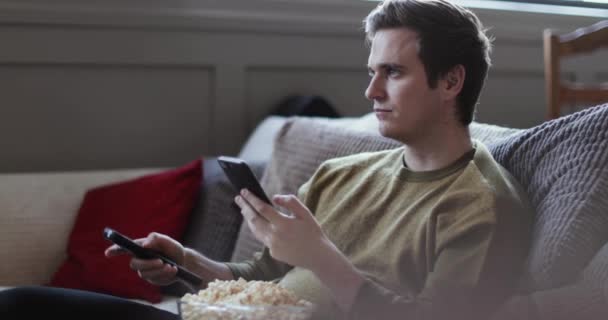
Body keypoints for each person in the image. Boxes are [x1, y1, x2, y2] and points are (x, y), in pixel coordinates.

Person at [0, 1, 533, 319]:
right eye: (371, 71)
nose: (370, 90)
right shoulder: (343, 175)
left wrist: (322, 257)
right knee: (17, 304)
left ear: (450, 81)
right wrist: (186, 264)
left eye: (392, 72)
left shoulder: (482, 205)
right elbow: (261, 276)